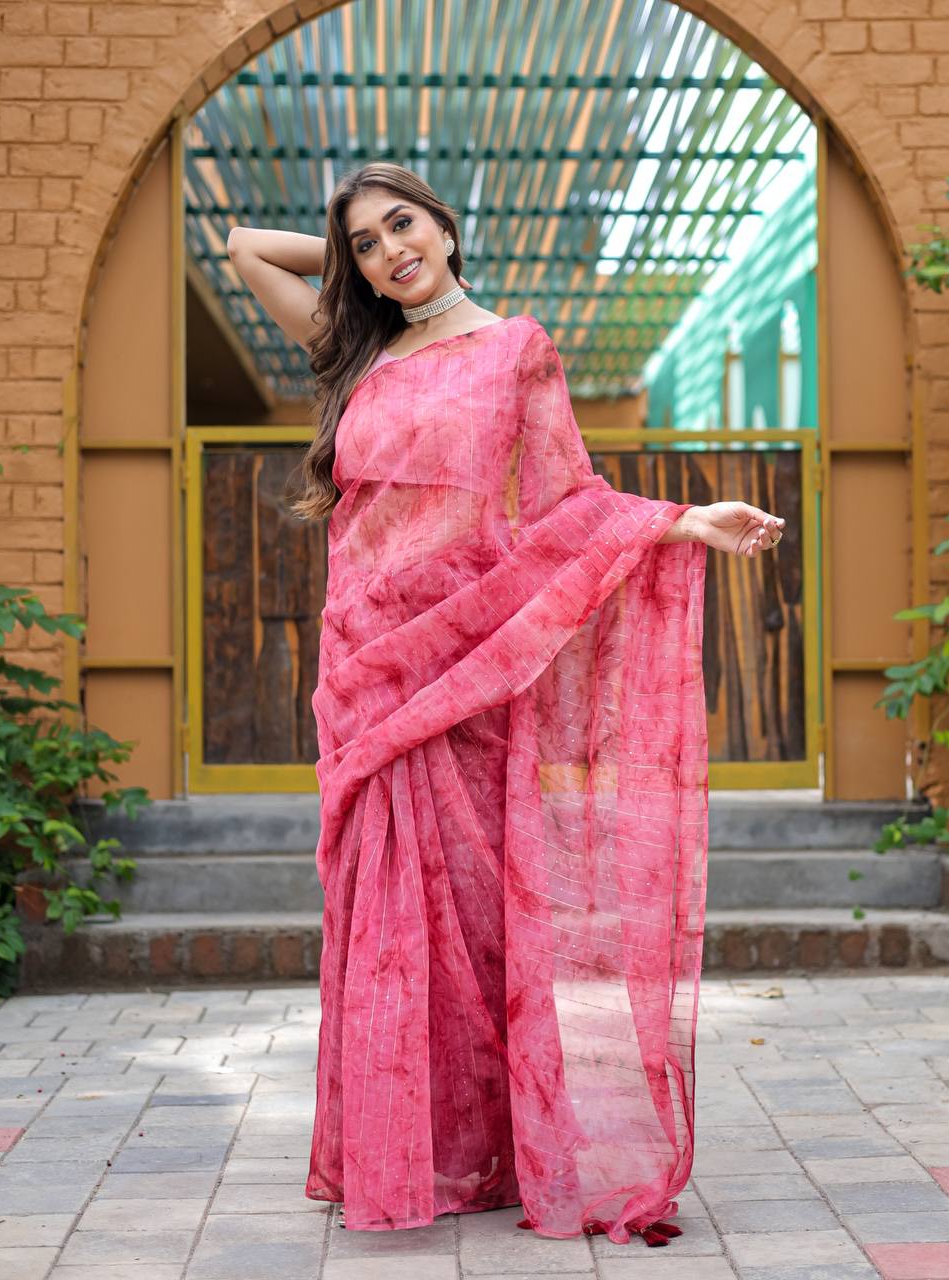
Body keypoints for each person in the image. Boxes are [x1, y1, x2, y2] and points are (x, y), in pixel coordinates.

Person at [228, 162, 785, 1248]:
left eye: (405, 224)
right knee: (379, 911)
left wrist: (679, 522)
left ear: (444, 221)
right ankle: (398, 1142)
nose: (395, 251)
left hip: (467, 661)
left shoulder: (517, 348)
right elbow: (247, 246)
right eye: (370, 244)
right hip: (365, 661)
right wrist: (341, 258)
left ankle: (481, 1142)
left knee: (469, 921)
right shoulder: (360, 352)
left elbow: (569, 503)